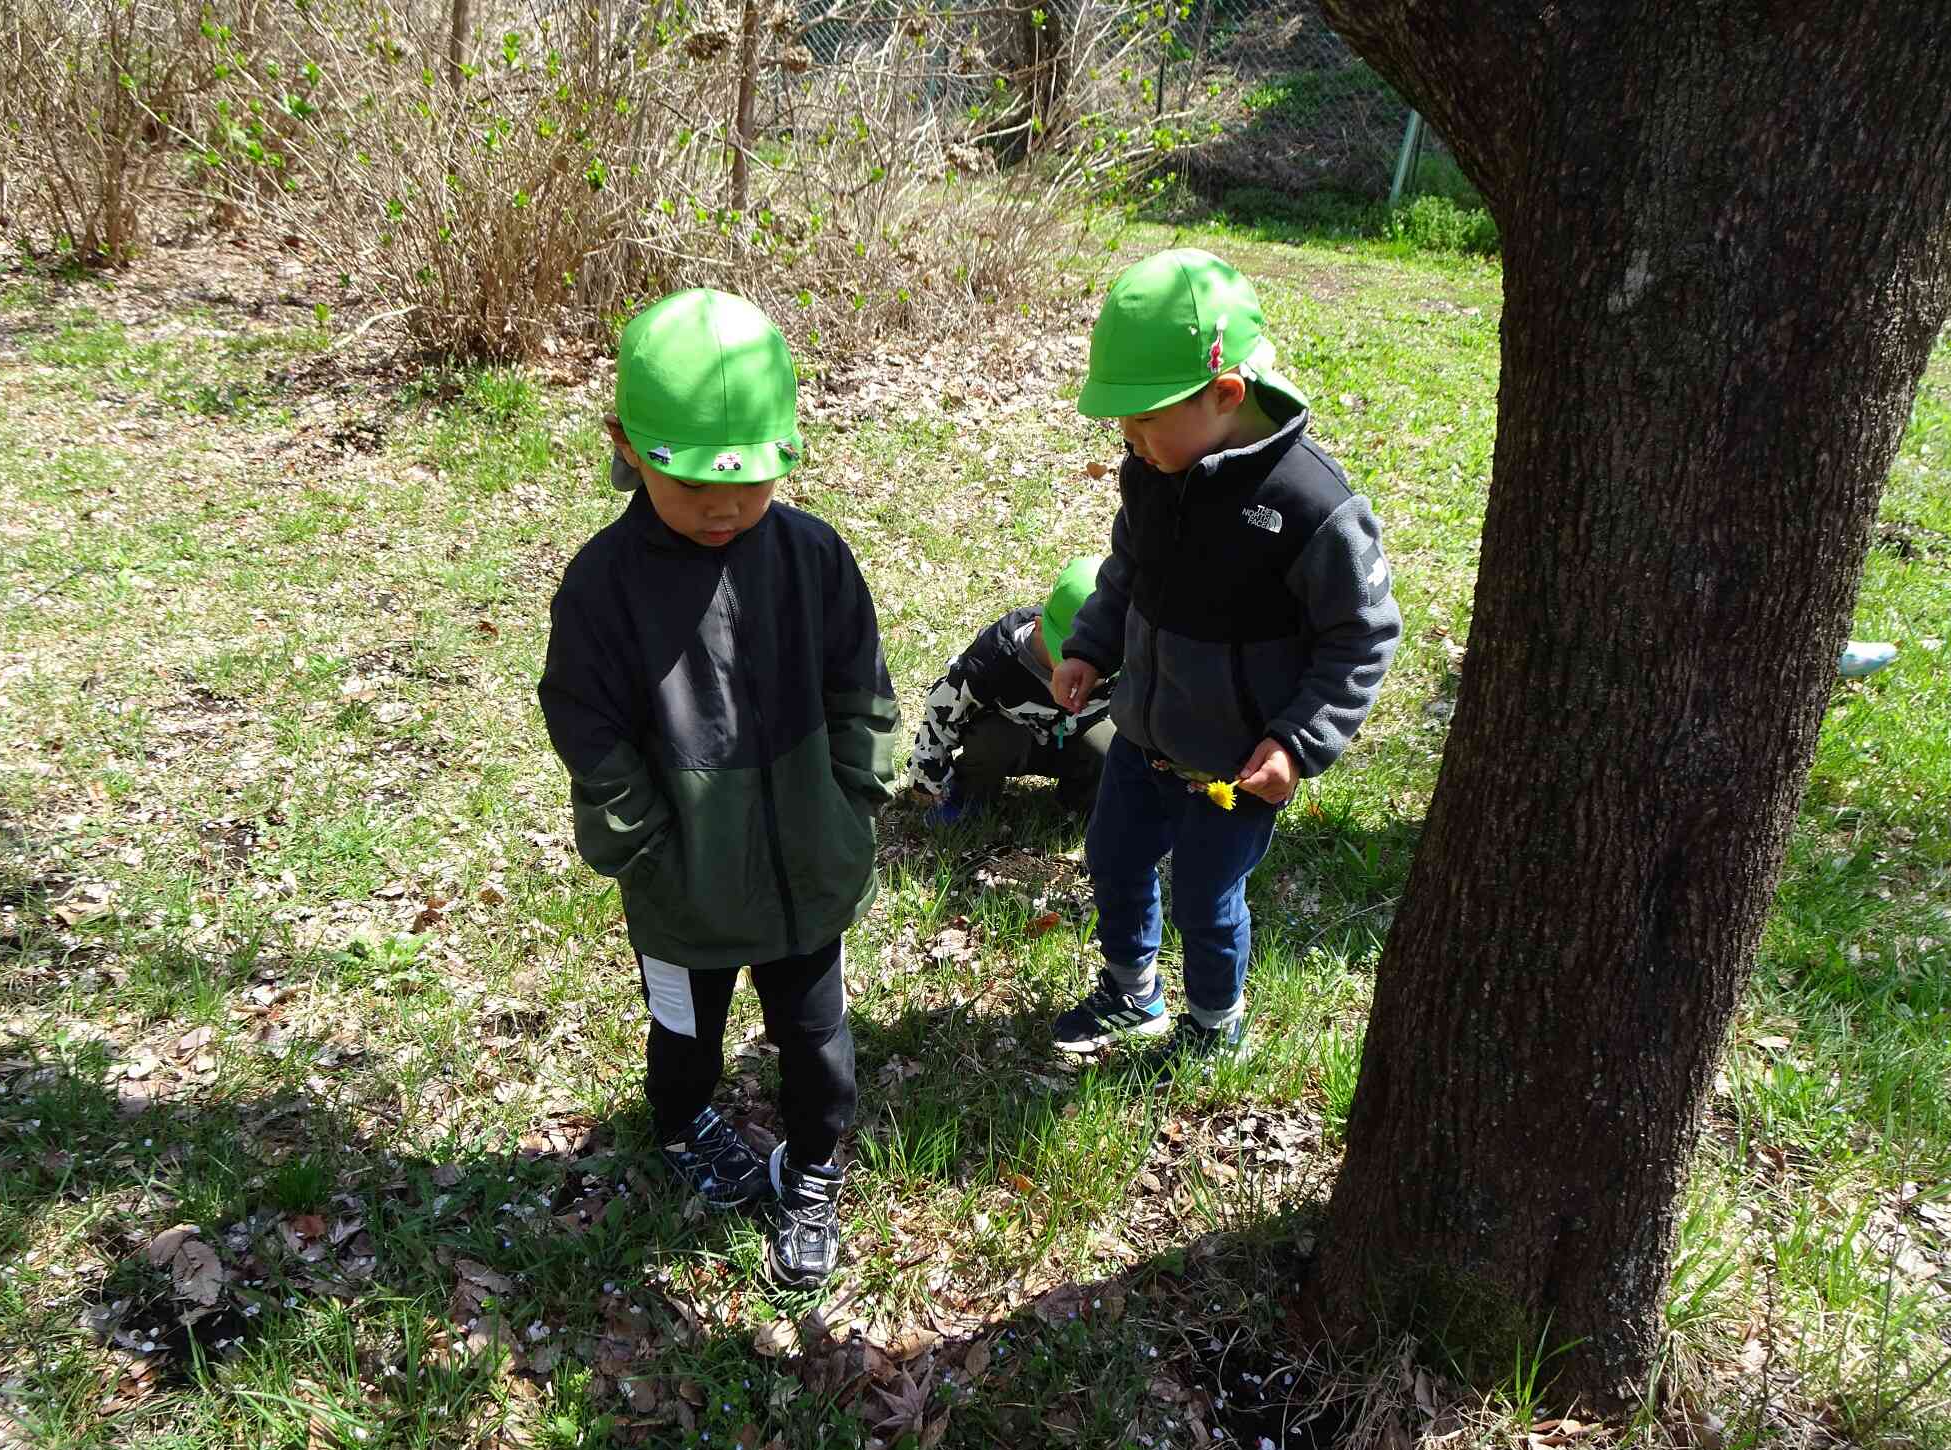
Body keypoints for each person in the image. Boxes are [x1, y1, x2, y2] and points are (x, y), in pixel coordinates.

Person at [537, 288, 897, 1288]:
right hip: (680, 881)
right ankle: (686, 1119)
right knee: (684, 1029)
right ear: (626, 444)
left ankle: (816, 1165)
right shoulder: (602, 587)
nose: (725, 506)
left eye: (751, 482)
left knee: (815, 1036)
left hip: (805, 871)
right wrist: (643, 843)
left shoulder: (813, 557)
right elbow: (585, 722)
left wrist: (853, 800)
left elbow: (858, 684)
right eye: (693, 483)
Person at [1049, 249, 1402, 1070]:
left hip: (1236, 762)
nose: (1129, 443)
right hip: (1144, 734)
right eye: (1122, 425)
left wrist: (1298, 741)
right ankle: (1131, 990)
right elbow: (1126, 573)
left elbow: (1364, 632)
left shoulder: (1311, 503)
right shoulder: (1154, 470)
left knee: (1209, 896)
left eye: (1145, 421)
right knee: (1114, 857)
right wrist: (1093, 647)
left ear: (1226, 395)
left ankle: (1213, 1025)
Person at [908, 556, 1117, 823]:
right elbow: (943, 711)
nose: (1085, 681)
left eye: (1101, 672)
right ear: (1040, 627)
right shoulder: (994, 660)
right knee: (993, 739)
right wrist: (927, 777)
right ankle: (972, 798)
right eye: (1070, 661)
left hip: (1073, 738)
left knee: (1110, 744)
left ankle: (1083, 805)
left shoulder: (1125, 662)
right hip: (1015, 740)